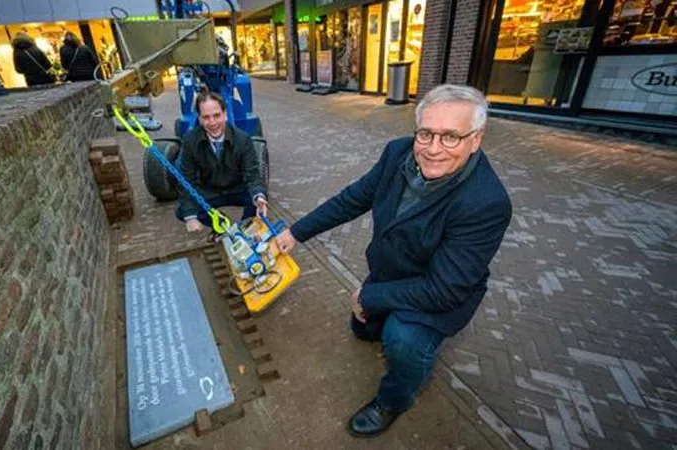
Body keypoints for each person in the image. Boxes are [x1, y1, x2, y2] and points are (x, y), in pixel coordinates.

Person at [276, 84, 512, 438]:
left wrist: (368, 296)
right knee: (363, 329)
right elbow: (352, 199)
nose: (433, 149)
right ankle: (376, 321)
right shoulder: (397, 154)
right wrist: (295, 233)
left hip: (438, 295)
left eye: (451, 137)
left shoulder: (486, 203)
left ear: (475, 139)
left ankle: (393, 400)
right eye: (426, 134)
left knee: (402, 341)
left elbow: (442, 289)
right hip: (392, 273)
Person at [176, 91, 267, 232]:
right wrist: (191, 217)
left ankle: (245, 228)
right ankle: (222, 226)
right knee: (183, 211)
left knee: (258, 200)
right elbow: (186, 180)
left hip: (238, 189)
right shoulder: (189, 140)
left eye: (216, 115)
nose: (212, 123)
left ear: (225, 114)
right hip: (210, 191)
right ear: (199, 118)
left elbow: (252, 174)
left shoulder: (243, 139)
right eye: (206, 117)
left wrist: (259, 196)